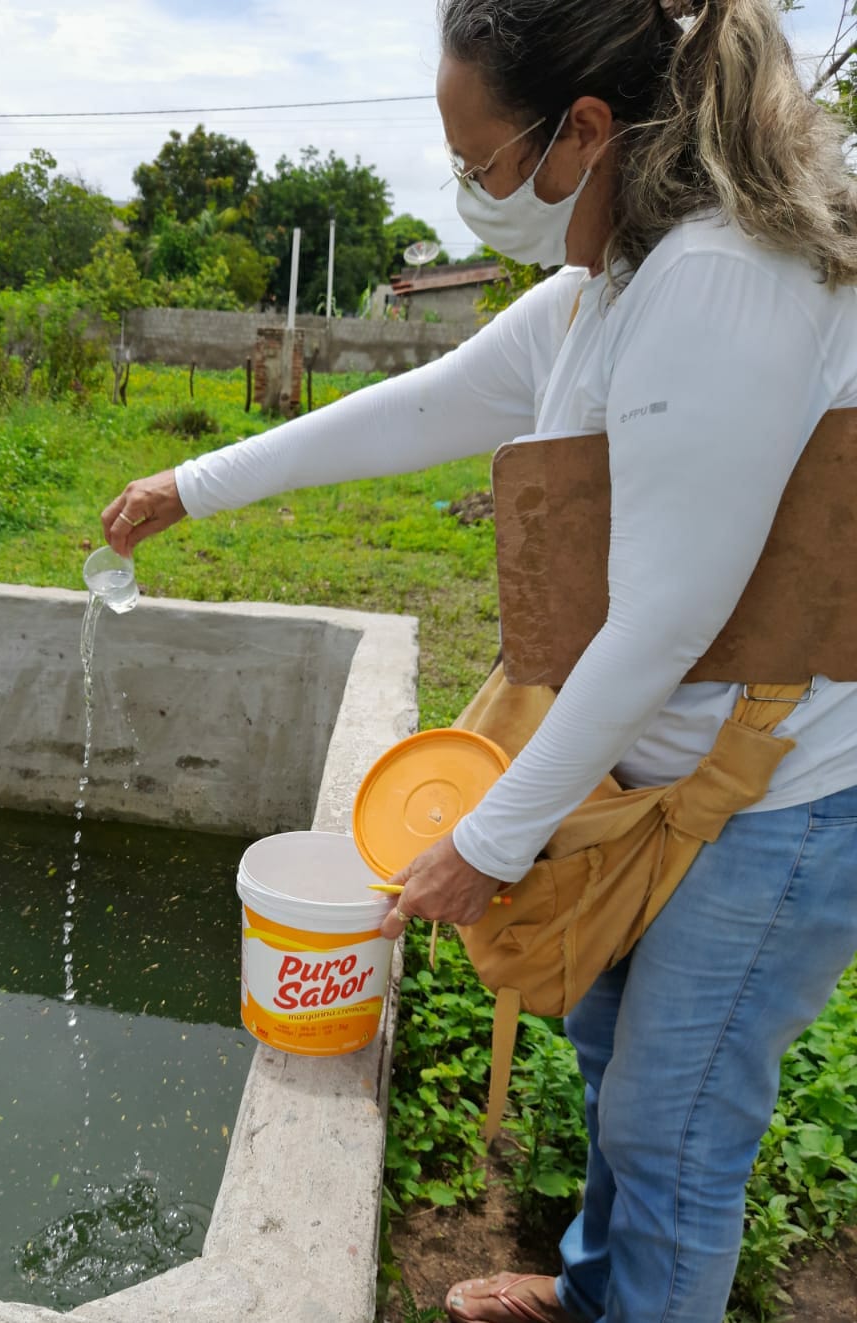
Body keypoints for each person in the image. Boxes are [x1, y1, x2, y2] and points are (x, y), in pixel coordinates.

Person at [101, 0, 857, 1318]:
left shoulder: (725, 280)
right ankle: (589, 1297)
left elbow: (664, 624)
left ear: (586, 128)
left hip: (773, 800)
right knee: (624, 1068)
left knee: (675, 1132)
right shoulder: (615, 272)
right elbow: (436, 401)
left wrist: (492, 841)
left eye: (482, 159)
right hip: (662, 770)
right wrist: (197, 485)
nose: (472, 191)